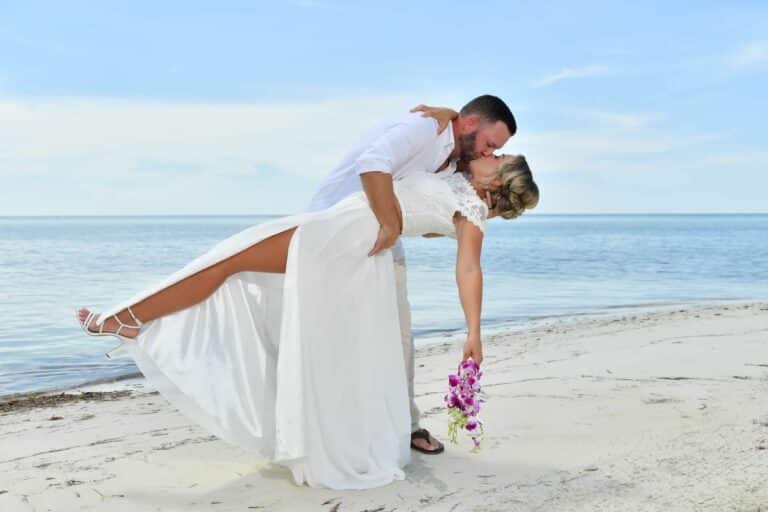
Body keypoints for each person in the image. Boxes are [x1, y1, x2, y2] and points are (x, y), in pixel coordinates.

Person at [77, 137, 539, 491]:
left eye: (500, 157)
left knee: (227, 263)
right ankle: (133, 320)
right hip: (340, 233)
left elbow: (469, 270)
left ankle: (124, 320)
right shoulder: (454, 182)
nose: (493, 153)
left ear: (496, 181)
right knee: (231, 270)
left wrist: (473, 333)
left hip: (341, 238)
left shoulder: (470, 212)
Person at [307, 94, 517, 455]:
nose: (487, 154)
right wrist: (390, 224)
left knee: (400, 336)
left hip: (383, 243)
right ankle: (329, 426)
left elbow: (444, 225)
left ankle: (406, 424)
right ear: (469, 124)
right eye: (489, 145)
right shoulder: (424, 130)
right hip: (335, 227)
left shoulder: (457, 162)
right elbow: (372, 162)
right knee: (333, 333)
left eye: (494, 151)